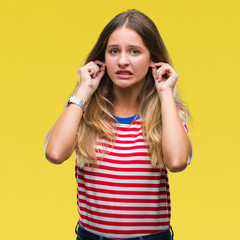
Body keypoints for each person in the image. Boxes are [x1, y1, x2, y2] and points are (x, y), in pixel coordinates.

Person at [44, 9, 192, 240]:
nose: (123, 61)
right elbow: (54, 153)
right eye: (114, 51)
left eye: (134, 51)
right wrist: (83, 90)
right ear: (102, 58)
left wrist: (165, 93)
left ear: (153, 58)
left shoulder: (168, 113)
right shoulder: (82, 110)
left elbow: (177, 162)